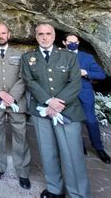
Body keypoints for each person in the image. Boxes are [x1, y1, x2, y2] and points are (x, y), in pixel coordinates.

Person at [21, 23, 90, 198]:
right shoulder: (28, 57)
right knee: (47, 153)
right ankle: (54, 189)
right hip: (42, 112)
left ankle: (78, 194)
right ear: (36, 36)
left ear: (54, 36)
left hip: (67, 111)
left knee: (72, 156)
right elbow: (29, 81)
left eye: (48, 33)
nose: (44, 37)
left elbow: (75, 82)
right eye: (40, 34)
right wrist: (49, 101)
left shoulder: (68, 56)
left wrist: (59, 103)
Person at [0, 23, 31, 189]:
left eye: (3, 33)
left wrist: (11, 97)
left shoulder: (20, 55)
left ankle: (23, 172)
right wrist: (0, 93)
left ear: (9, 35)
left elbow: (24, 77)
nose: (1, 36)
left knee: (20, 136)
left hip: (16, 102)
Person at [63, 34, 111, 164]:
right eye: (70, 42)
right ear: (64, 43)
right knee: (72, 121)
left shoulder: (87, 57)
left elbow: (101, 75)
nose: (72, 44)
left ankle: (99, 148)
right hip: (67, 94)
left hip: (84, 93)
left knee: (90, 121)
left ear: (78, 42)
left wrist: (86, 73)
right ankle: (80, 147)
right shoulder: (59, 56)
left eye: (75, 42)